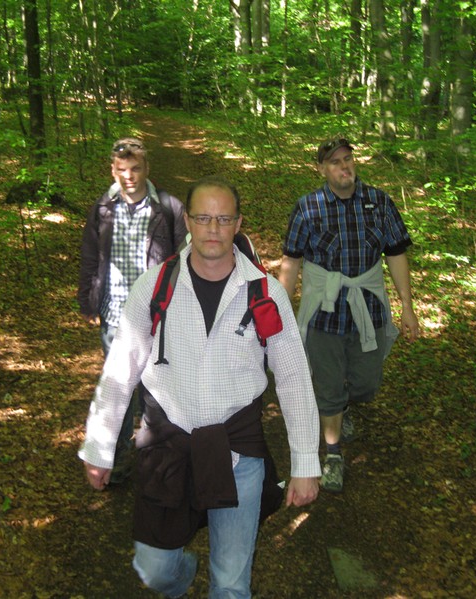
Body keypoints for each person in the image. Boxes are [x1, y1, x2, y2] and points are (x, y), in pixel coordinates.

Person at [80, 177, 321, 598]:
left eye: (224, 219)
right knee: (155, 570)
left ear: (238, 223)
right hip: (167, 446)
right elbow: (120, 371)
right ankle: (182, 575)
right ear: (188, 221)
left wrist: (305, 461)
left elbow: (294, 378)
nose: (213, 228)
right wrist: (99, 448)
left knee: (231, 584)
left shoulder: (265, 293)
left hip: (238, 452)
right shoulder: (155, 286)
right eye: (204, 218)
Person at [279, 137, 420, 493]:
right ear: (321, 169)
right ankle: (333, 454)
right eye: (335, 162)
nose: (344, 166)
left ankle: (346, 406)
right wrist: (278, 309)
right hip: (324, 315)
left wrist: (407, 306)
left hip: (367, 311)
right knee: (328, 388)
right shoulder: (308, 207)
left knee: (367, 383)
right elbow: (292, 261)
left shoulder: (379, 202)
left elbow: (396, 253)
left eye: (348, 159)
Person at [77, 138, 188, 482]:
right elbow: (91, 256)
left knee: (156, 389)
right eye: (122, 169)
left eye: (135, 168)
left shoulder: (167, 207)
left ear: (146, 169)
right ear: (113, 170)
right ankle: (118, 455)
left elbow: (185, 258)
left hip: (157, 317)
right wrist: (87, 300)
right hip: (114, 315)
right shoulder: (103, 208)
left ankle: (158, 455)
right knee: (118, 388)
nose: (129, 176)